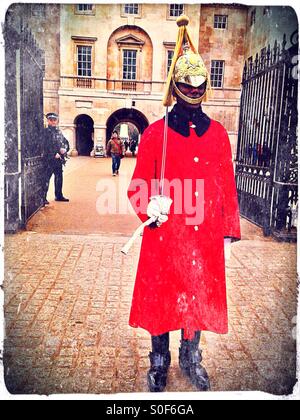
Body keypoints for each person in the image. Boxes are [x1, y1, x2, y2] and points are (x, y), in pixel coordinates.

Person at [127, 16, 241, 392]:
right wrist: (150, 208)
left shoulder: (219, 135)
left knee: (196, 296)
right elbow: (138, 187)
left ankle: (191, 357)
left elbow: (226, 184)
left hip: (203, 236)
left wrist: (228, 229)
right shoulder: (154, 134)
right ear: (175, 89)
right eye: (187, 84)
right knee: (162, 298)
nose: (194, 91)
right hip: (166, 235)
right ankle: (159, 360)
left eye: (199, 84)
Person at [43, 112, 70, 203]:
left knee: (59, 178)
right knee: (46, 178)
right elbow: (44, 146)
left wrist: (64, 149)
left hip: (58, 160)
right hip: (49, 160)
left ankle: (58, 196)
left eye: (54, 120)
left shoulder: (59, 132)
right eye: (51, 120)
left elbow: (66, 143)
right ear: (48, 121)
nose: (53, 121)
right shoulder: (45, 132)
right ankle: (43, 198)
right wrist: (53, 154)